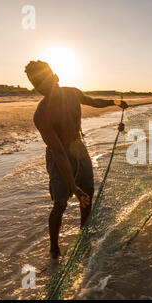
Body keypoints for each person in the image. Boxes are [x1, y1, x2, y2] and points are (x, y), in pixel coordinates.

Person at [25, 60, 128, 259]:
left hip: (78, 147)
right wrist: (72, 186)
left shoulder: (72, 92)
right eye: (36, 84)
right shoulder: (41, 115)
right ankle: (54, 248)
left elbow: (93, 101)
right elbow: (58, 153)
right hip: (59, 157)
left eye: (42, 80)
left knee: (88, 192)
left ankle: (84, 233)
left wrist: (114, 103)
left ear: (54, 76)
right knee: (60, 204)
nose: (40, 87)